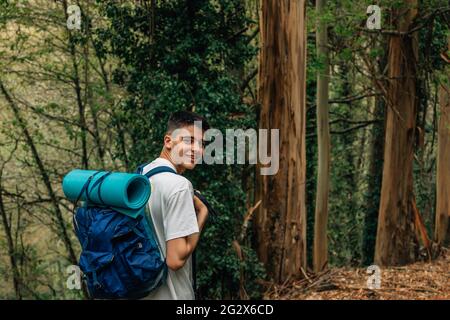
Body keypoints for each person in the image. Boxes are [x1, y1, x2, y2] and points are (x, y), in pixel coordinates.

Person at [142, 111, 209, 300]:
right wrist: (202, 214)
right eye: (189, 140)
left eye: (201, 144)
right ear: (168, 141)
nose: (197, 149)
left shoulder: (142, 176)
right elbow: (176, 259)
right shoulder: (179, 186)